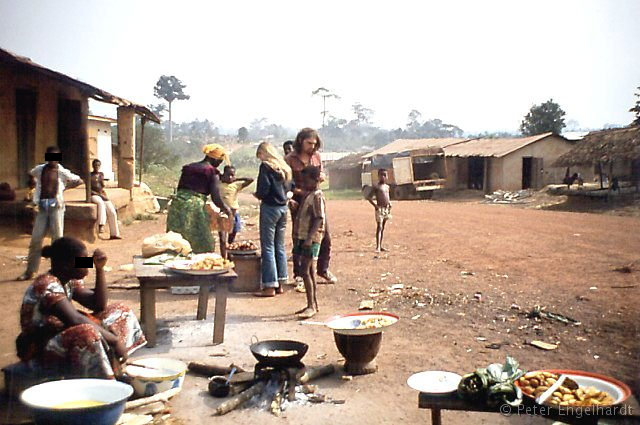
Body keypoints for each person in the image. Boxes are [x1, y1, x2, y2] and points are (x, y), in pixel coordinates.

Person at [16, 237, 146, 378]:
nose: (87, 263)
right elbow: (75, 319)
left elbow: (98, 304)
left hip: (61, 335)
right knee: (87, 332)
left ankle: (112, 361)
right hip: (41, 347)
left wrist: (100, 269)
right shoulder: (46, 285)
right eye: (82, 260)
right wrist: (114, 340)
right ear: (66, 265)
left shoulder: (68, 279)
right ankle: (105, 380)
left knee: (121, 311)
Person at [17, 147, 83, 281]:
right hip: (42, 207)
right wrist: (34, 188)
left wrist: (64, 188)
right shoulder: (40, 169)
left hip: (56, 207)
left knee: (57, 240)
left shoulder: (61, 171)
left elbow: (78, 180)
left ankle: (58, 270)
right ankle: (30, 271)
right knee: (36, 239)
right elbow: (30, 173)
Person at [285, 128, 337, 285]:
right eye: (309, 143)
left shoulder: (317, 157)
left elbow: (321, 174)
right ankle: (299, 274)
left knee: (325, 236)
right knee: (300, 238)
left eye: (314, 144)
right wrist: (292, 196)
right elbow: (286, 184)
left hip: (316, 198)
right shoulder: (289, 159)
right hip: (299, 201)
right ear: (300, 141)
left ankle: (323, 269)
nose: (312, 147)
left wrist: (321, 176)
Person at [167, 144, 231, 253]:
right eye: (219, 161)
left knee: (177, 241)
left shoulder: (189, 168)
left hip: (177, 205)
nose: (219, 164)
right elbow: (215, 197)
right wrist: (226, 208)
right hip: (194, 208)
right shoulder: (212, 172)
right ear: (213, 158)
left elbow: (180, 188)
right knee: (203, 242)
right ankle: (198, 266)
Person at [254, 142, 292, 297]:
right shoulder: (284, 167)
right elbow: (290, 187)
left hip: (270, 208)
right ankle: (281, 283)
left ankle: (269, 286)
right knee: (279, 246)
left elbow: (264, 189)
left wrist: (258, 195)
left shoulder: (266, 166)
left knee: (268, 247)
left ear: (263, 153)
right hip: (283, 208)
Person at [291, 166, 325, 319]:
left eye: (307, 180)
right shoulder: (309, 195)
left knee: (305, 271)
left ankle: (311, 305)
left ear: (316, 180)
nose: (304, 184)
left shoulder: (317, 196)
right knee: (309, 271)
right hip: (304, 236)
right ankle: (312, 304)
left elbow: (319, 218)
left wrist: (310, 238)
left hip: (310, 238)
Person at [218, 165, 254, 258]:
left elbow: (250, 180)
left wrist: (237, 179)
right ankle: (223, 258)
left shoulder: (236, 186)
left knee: (231, 237)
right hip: (222, 214)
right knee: (222, 238)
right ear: (223, 174)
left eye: (232, 175)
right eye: (228, 175)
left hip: (234, 214)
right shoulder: (218, 185)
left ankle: (230, 256)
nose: (230, 177)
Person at [90, 159, 121, 240]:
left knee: (112, 211)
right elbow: (89, 189)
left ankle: (114, 233)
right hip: (93, 195)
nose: (96, 167)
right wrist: (99, 194)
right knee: (100, 204)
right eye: (95, 165)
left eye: (98, 165)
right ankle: (101, 225)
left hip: (102, 194)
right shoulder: (89, 175)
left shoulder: (101, 175)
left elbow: (102, 186)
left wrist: (103, 194)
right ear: (92, 166)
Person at [367, 169, 392, 253]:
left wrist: (389, 204)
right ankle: (377, 246)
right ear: (379, 176)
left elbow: (387, 197)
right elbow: (369, 197)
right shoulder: (376, 187)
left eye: (385, 175)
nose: (384, 177)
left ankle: (380, 246)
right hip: (379, 209)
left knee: (383, 227)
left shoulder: (387, 187)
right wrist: (375, 206)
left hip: (386, 209)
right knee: (379, 227)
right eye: (382, 175)